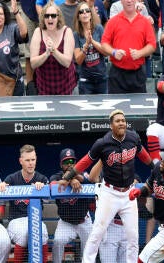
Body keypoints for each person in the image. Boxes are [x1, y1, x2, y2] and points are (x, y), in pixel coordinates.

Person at [58, 109, 155, 263]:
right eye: (118, 121)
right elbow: (86, 161)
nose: (121, 123)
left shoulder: (133, 137)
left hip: (129, 193)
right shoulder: (103, 143)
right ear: (111, 125)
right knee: (97, 232)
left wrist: (154, 167)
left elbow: (143, 154)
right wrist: (68, 176)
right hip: (109, 193)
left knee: (133, 236)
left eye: (123, 120)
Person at [100, 0, 156, 94]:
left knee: (138, 108)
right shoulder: (113, 21)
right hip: (117, 74)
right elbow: (104, 43)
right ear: (121, 0)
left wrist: (140, 53)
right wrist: (113, 52)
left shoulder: (144, 22)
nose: (129, 0)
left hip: (137, 74)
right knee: (117, 110)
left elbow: (152, 45)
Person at [0, 145, 49, 262]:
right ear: (21, 161)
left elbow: (47, 198)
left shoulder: (42, 178)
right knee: (24, 234)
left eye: (33, 159)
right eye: (27, 160)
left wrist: (43, 188)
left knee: (43, 232)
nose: (31, 163)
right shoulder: (12, 178)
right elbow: (1, 194)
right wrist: (2, 186)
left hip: (35, 219)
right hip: (16, 221)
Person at [49, 148, 95, 263]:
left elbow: (88, 180)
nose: (69, 165)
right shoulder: (56, 176)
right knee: (58, 241)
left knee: (89, 251)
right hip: (66, 223)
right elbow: (52, 184)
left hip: (84, 221)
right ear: (61, 164)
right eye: (66, 162)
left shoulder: (83, 173)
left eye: (72, 162)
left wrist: (74, 177)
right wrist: (70, 180)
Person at [29, 4, 77, 95]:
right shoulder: (38, 32)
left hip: (66, 86)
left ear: (58, 18)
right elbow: (33, 63)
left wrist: (54, 50)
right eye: (47, 16)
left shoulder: (67, 31)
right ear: (43, 18)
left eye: (53, 16)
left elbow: (67, 62)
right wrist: (46, 54)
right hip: (44, 87)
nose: (50, 18)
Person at [72, 1, 106, 94]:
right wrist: (86, 46)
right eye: (81, 12)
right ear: (78, 17)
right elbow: (78, 60)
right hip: (85, 81)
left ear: (91, 14)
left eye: (87, 11)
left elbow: (106, 52)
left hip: (101, 78)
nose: (84, 13)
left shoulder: (99, 29)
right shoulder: (76, 34)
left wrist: (92, 42)